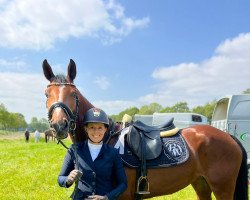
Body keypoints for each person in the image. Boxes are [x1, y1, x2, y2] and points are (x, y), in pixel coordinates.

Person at [58, 108, 127, 200]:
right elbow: (60, 178)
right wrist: (68, 180)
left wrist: (107, 197)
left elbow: (123, 184)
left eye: (100, 128)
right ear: (86, 129)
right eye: (92, 127)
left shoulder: (113, 153)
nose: (96, 132)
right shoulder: (74, 150)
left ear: (105, 129)